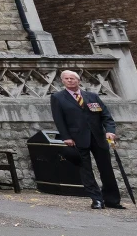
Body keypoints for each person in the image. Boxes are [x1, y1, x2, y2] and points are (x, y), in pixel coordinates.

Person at [51, 69, 123, 209]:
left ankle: (112, 199)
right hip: (77, 139)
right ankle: (96, 199)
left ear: (78, 80)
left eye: (72, 78)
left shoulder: (92, 96)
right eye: (66, 78)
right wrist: (66, 137)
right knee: (86, 170)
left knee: (106, 169)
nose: (69, 80)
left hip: (98, 138)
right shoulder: (58, 98)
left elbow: (106, 116)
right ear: (62, 81)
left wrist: (110, 131)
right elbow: (59, 120)